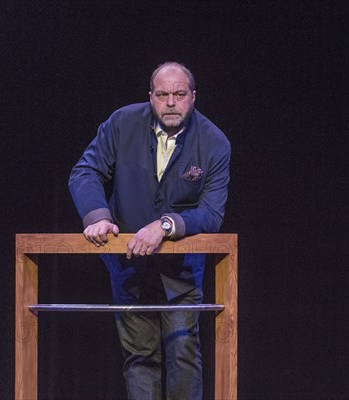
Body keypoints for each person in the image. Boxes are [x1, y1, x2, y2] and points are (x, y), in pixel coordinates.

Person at [69, 61, 231, 400]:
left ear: (193, 97)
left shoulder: (215, 142)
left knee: (183, 357)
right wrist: (97, 216)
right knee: (140, 358)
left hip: (181, 271)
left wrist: (165, 226)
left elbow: (212, 212)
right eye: (162, 94)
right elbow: (85, 172)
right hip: (129, 265)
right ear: (151, 96)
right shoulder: (122, 123)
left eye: (179, 94)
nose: (171, 102)